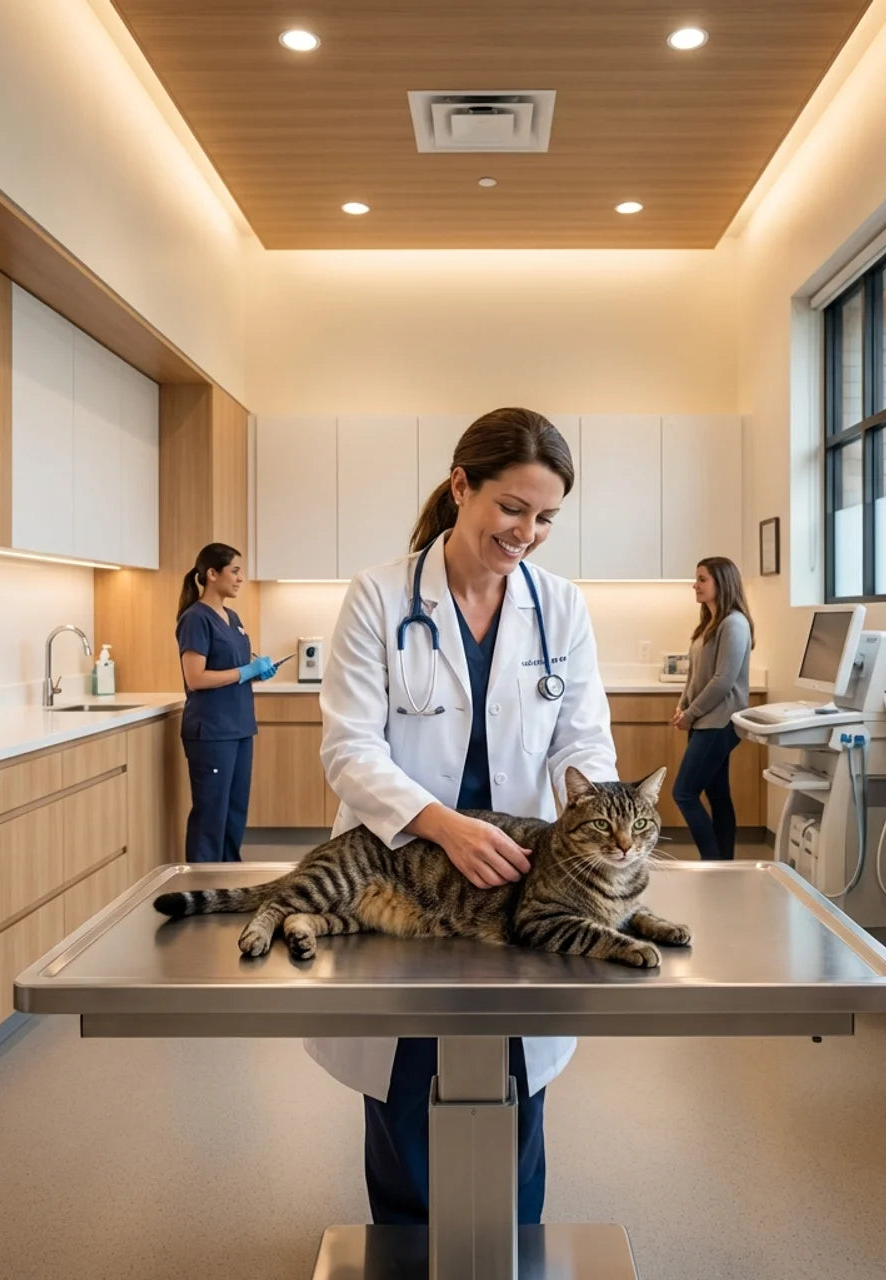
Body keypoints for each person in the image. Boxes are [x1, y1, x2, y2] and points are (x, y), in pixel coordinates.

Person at [314, 407, 618, 1227]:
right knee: (406, 1091)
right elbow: (349, 750)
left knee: (516, 1094)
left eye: (546, 517)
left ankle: (505, 1252)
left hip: (518, 892)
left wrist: (593, 840)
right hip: (402, 880)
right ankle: (410, 1253)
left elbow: (583, 748)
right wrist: (442, 825)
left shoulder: (561, 608)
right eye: (513, 508)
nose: (527, 531)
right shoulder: (380, 597)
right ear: (461, 487)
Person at [175, 542, 276, 863]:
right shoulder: (196, 619)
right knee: (211, 815)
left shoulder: (232, 617)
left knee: (234, 812)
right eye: (234, 571)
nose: (240, 578)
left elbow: (233, 668)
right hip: (212, 731)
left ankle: (229, 878)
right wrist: (246, 670)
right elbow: (197, 678)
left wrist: (257, 673)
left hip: (239, 727)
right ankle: (202, 884)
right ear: (212, 574)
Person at [670, 556, 754, 861]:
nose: (696, 585)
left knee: (684, 793)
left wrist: (690, 714)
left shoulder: (734, 624)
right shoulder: (709, 624)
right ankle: (724, 865)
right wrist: (683, 707)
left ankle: (712, 860)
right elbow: (695, 675)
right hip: (703, 721)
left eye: (702, 579)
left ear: (722, 582)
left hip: (718, 724)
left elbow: (722, 680)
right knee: (718, 796)